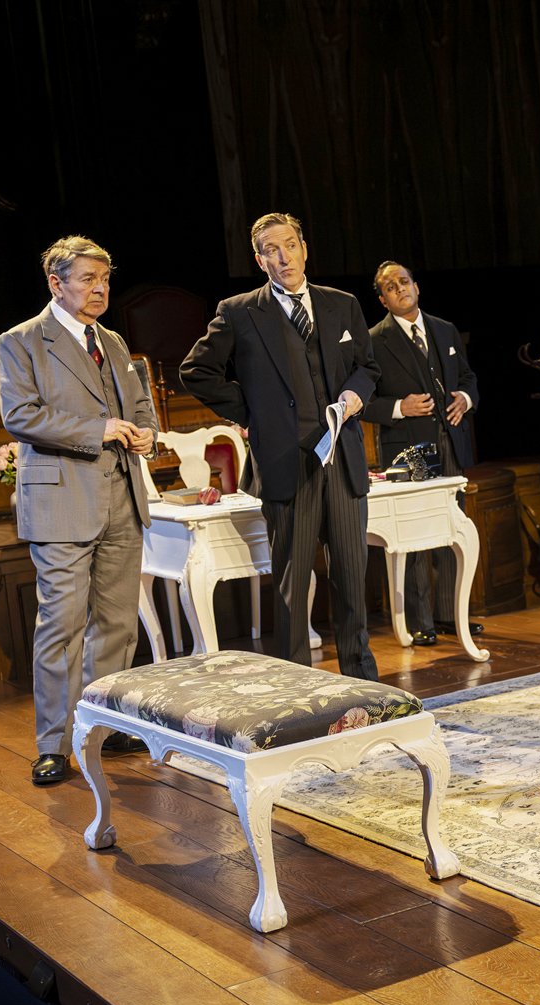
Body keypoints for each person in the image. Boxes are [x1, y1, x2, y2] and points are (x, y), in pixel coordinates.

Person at [180, 212, 381, 681]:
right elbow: (196, 371)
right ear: (259, 259)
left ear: (304, 248)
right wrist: (253, 410)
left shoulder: (342, 304)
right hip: (286, 464)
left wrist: (354, 396)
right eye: (272, 249)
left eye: (289, 245)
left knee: (352, 577)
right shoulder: (239, 311)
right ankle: (296, 685)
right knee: (293, 583)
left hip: (343, 461)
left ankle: (363, 683)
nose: (283, 256)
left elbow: (367, 367)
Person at [0, 236, 156, 785]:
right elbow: (21, 415)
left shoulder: (111, 341)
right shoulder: (21, 342)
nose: (99, 289)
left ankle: (105, 728)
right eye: (87, 280)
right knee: (61, 626)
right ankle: (54, 743)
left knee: (115, 624)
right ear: (55, 284)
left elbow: (139, 408)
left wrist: (146, 436)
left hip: (121, 498)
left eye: (105, 280)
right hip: (62, 500)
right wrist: (100, 430)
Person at [362, 260, 482, 643]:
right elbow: (361, 401)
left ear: (417, 286)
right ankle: (420, 622)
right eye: (390, 286)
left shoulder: (443, 329)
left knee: (450, 530)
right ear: (383, 299)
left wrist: (464, 398)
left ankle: (449, 614)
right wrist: (400, 408)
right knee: (412, 537)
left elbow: (467, 378)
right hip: (405, 450)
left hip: (449, 443)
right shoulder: (373, 340)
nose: (400, 288)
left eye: (404, 281)